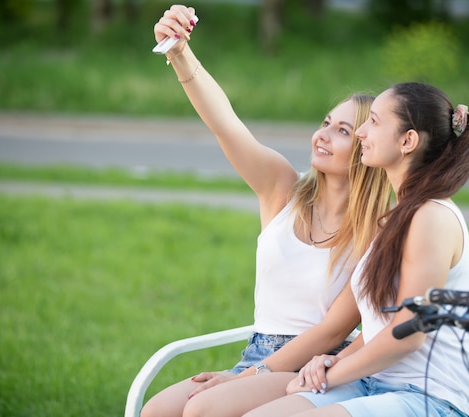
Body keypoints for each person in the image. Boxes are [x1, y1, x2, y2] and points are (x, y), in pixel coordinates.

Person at [141, 5, 392, 417]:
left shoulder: (377, 230)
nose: (322, 135)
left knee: (202, 411)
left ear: (367, 146)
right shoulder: (283, 187)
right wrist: (180, 52)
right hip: (258, 353)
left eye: (343, 131)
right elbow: (226, 124)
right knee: (156, 412)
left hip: (316, 366)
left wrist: (245, 379)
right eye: (326, 122)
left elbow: (334, 330)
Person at [238, 82, 469, 417]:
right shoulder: (394, 218)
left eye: (374, 122)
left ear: (407, 141)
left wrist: (331, 373)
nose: (360, 133)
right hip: (374, 382)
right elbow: (376, 327)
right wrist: (334, 360)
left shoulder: (431, 217)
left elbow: (408, 333)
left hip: (430, 395)